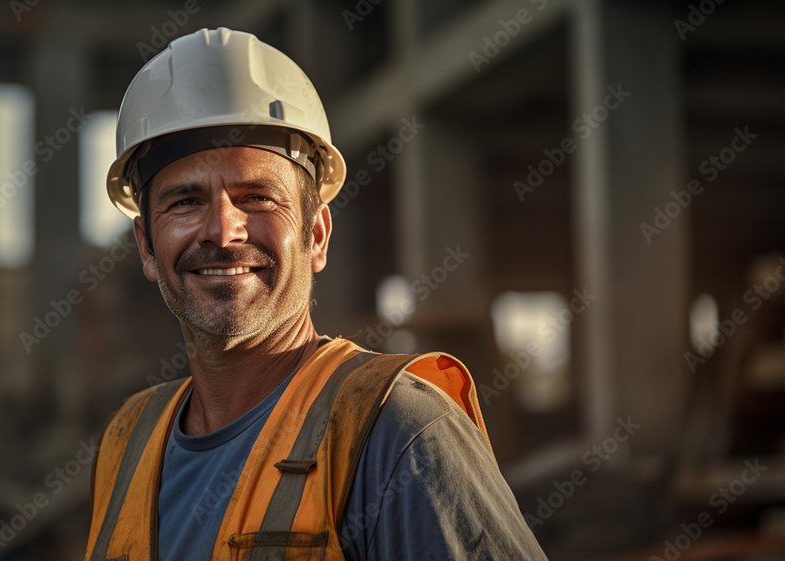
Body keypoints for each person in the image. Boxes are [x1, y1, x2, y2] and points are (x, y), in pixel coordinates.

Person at [84, 27, 548, 561]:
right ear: (146, 245)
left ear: (317, 236)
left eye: (256, 197)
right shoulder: (127, 442)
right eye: (185, 201)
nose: (222, 230)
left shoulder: (397, 432)